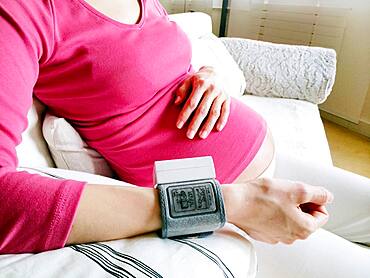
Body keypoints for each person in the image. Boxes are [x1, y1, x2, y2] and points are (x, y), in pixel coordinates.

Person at [0, 0, 369, 276]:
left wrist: (211, 76)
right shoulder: (23, 11)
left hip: (267, 167)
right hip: (228, 215)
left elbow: (161, 75)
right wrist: (224, 203)